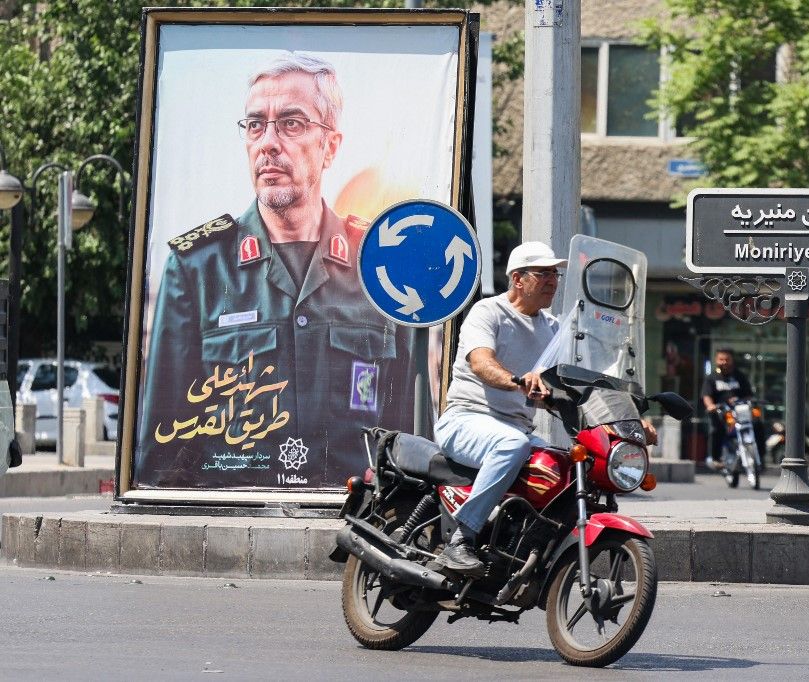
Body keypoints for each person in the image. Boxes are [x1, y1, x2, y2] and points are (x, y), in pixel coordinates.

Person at [135, 52, 414, 489]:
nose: (268, 142)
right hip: (231, 520)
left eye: (292, 123)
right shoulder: (197, 269)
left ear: (330, 146)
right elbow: (162, 441)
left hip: (353, 523)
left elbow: (412, 429)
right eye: (255, 125)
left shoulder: (380, 267)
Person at [433, 241, 657, 575]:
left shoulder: (554, 330)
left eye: (555, 274)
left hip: (515, 428)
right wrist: (517, 380)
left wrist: (634, 419)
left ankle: (528, 547)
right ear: (518, 279)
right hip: (465, 420)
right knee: (513, 444)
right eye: (544, 273)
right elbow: (481, 361)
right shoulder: (488, 312)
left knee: (564, 468)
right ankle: (462, 539)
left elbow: (595, 377)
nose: (553, 281)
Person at [700, 348, 763, 469]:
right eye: (721, 359)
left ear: (732, 360)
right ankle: (716, 458)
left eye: (727, 359)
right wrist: (710, 406)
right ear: (716, 360)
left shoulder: (740, 376)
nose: (724, 362)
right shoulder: (712, 377)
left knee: (758, 426)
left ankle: (759, 458)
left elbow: (748, 394)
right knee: (716, 431)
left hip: (740, 412)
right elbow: (706, 395)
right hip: (721, 413)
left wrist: (749, 401)